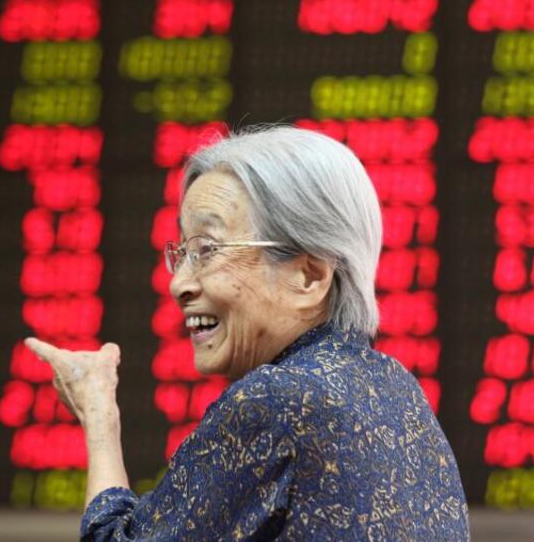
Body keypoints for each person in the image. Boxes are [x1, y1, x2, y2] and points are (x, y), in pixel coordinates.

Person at [27, 126, 469, 541]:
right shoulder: (396, 387)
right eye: (181, 252)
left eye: (206, 251)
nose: (179, 282)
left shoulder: (278, 400)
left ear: (309, 277)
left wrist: (98, 415)